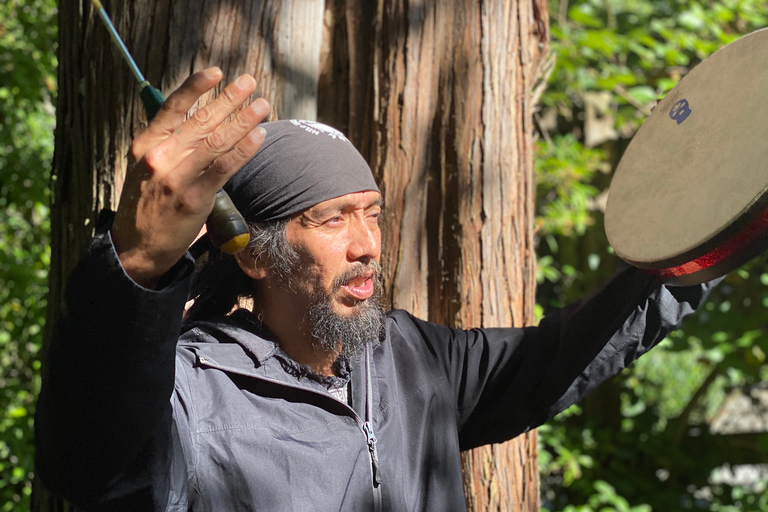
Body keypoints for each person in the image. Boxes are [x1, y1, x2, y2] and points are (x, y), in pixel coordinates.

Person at [35, 69, 717, 512]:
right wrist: (137, 263)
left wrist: (710, 233)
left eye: (373, 212)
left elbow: (568, 353)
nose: (367, 244)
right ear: (255, 256)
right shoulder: (193, 393)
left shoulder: (413, 359)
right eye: (331, 218)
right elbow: (85, 461)